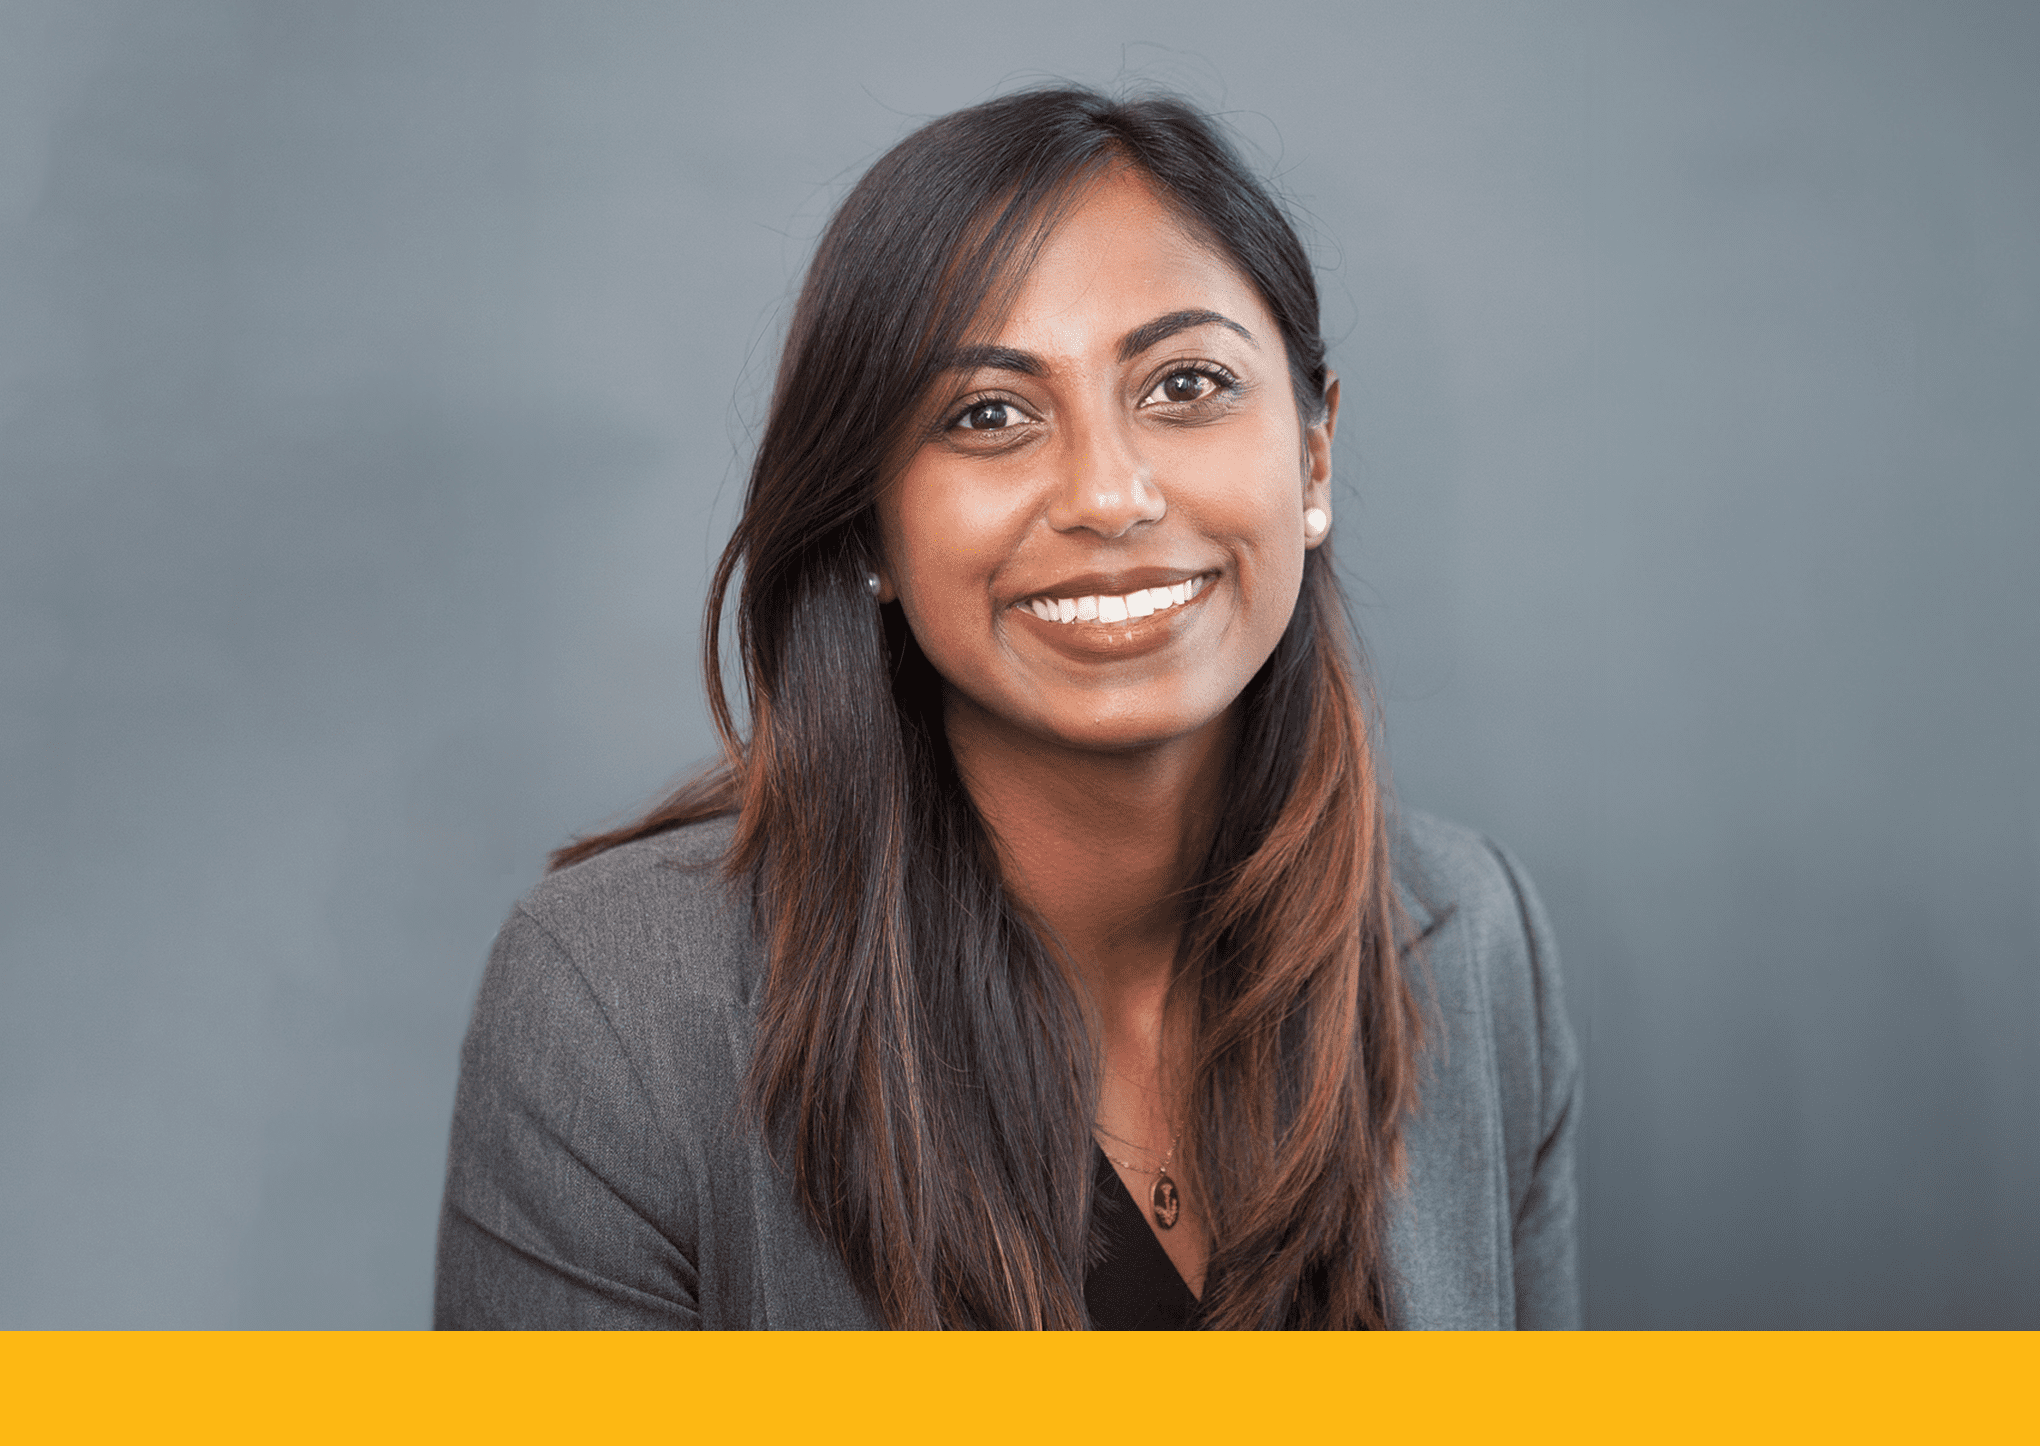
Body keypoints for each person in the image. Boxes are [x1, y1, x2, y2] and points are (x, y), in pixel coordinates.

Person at [434, 86, 1579, 1330]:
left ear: (1313, 458)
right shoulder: (618, 1007)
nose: (1108, 494)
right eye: (989, 414)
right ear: (869, 520)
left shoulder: (1469, 943)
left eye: (1186, 384)